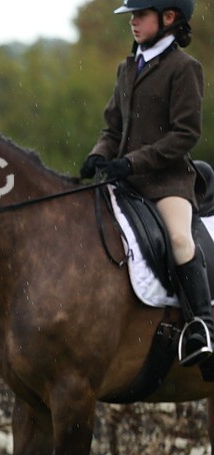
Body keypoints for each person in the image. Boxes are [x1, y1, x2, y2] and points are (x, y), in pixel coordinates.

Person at [81, 0, 210, 366]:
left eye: (140, 15)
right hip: (125, 181)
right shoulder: (127, 67)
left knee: (179, 239)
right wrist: (98, 155)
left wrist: (132, 162)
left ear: (169, 18)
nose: (133, 22)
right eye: (132, 16)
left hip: (168, 182)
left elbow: (185, 134)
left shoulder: (184, 68)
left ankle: (204, 326)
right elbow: (112, 128)